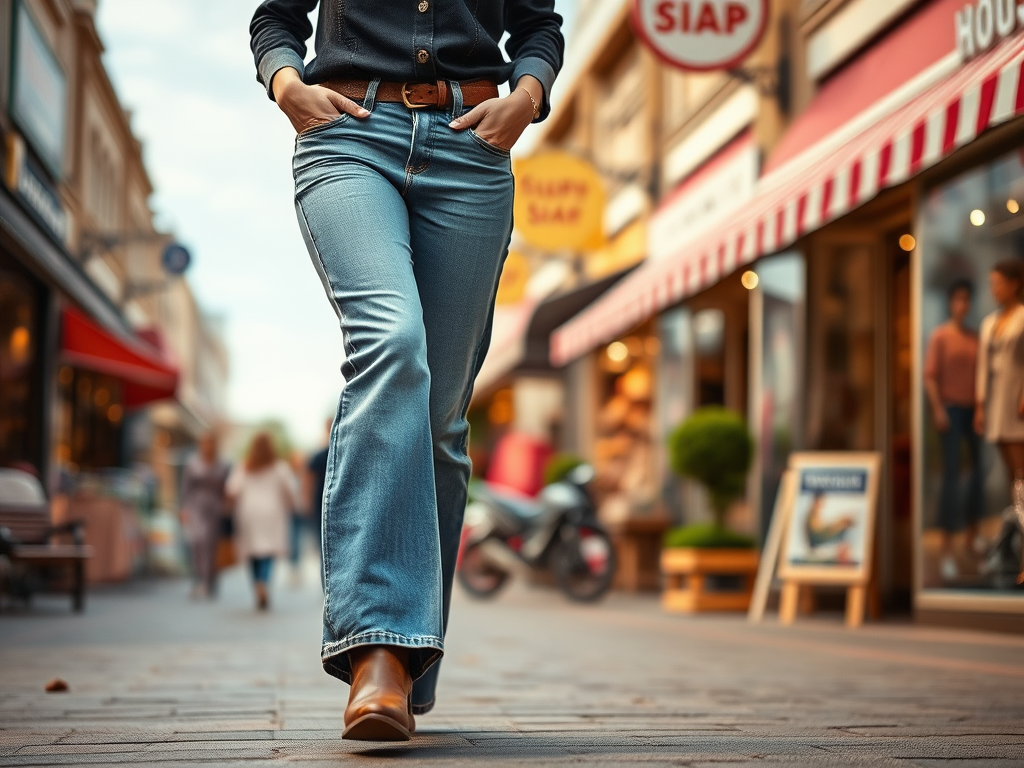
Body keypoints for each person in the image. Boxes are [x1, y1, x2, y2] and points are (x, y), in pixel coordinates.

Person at [250, 0, 563, 742]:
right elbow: (276, 18)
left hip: (471, 147)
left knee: (440, 424)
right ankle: (377, 654)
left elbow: (539, 25)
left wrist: (527, 95)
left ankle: (407, 662)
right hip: (349, 136)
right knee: (391, 341)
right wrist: (285, 82)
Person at [925, 280, 982, 581]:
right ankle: (946, 548)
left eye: (966, 299)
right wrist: (937, 408)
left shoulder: (975, 337)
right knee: (951, 475)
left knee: (977, 474)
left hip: (975, 409)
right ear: (950, 303)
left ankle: (971, 537)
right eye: (957, 299)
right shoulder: (940, 336)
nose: (962, 304)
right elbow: (930, 376)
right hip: (950, 409)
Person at [225, 432, 301, 611]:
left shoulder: (244, 466)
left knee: (252, 552)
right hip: (272, 513)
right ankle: (264, 582)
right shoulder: (279, 467)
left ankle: (257, 584)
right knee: (268, 551)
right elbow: (291, 489)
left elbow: (231, 490)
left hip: (248, 512)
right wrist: (293, 507)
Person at [977, 260, 1024, 504]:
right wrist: (980, 404)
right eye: (992, 284)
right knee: (1010, 472)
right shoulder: (989, 322)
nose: (994, 289)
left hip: (1016, 399)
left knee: (1020, 471)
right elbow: (983, 367)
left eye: (998, 283)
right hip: (997, 399)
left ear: (1014, 284)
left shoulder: (1022, 317)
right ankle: (1018, 526)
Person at [179, 431, 230, 599]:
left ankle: (209, 581)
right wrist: (184, 508)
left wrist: (227, 505)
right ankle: (199, 577)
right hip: (196, 506)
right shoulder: (192, 463)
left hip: (215, 507)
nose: (207, 446)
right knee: (196, 540)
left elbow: (227, 487)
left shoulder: (223, 464)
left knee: (210, 543)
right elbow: (186, 487)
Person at [305, 417, 333, 583]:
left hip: (321, 503)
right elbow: (309, 480)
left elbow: (308, 481)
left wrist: (307, 500)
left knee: (323, 543)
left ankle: (326, 581)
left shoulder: (320, 455)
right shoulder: (343, 453)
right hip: (323, 503)